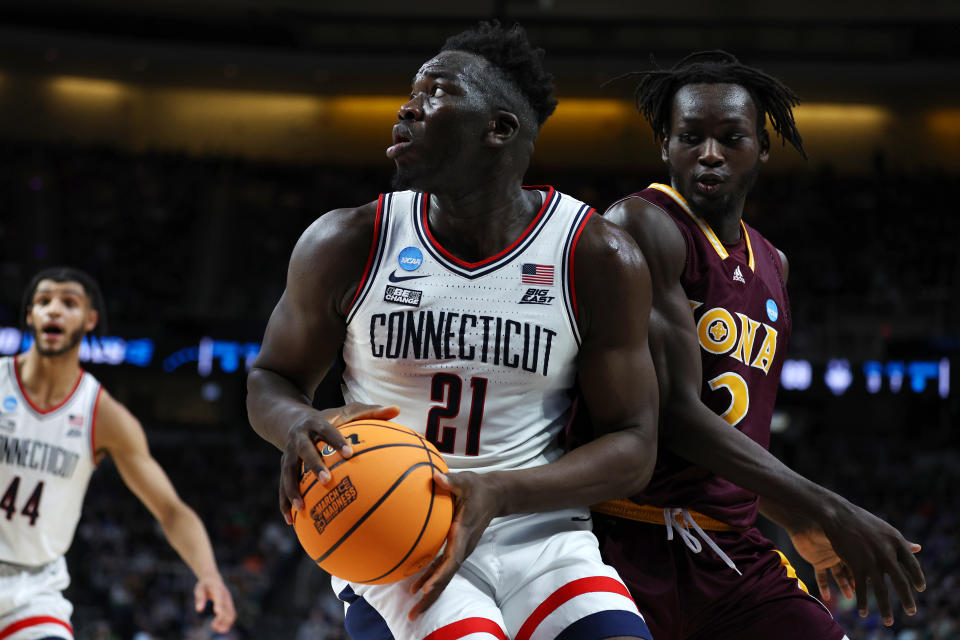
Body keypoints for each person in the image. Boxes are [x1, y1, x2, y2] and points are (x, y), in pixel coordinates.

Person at [247, 21, 660, 640]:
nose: (407, 107)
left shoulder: (594, 255)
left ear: (499, 129)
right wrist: (296, 422)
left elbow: (634, 445)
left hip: (539, 532)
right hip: (395, 530)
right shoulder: (347, 240)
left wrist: (497, 489)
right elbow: (269, 379)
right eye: (411, 93)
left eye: (436, 93)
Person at [594, 51, 926, 639]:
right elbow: (675, 416)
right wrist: (829, 508)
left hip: (732, 552)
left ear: (762, 148)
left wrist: (793, 517)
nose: (710, 153)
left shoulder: (775, 264)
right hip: (624, 539)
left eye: (731, 137)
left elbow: (736, 428)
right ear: (664, 147)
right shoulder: (641, 224)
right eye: (690, 137)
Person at [0, 267, 236, 639]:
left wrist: (209, 574)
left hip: (34, 592)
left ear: (90, 319)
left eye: (68, 302)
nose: (53, 310)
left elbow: (171, 510)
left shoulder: (102, 415)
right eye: (43, 301)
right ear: (30, 315)